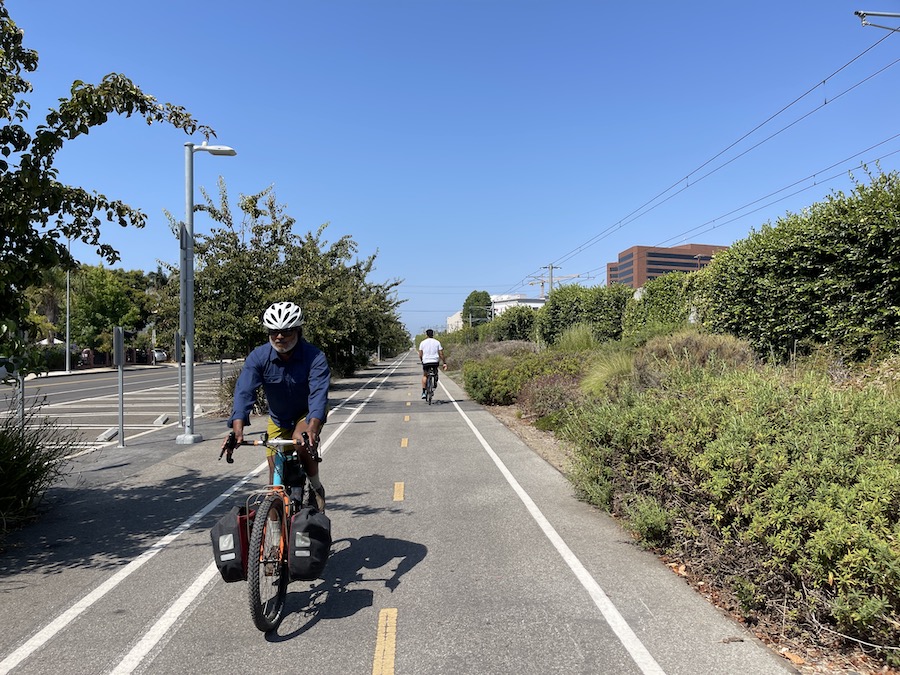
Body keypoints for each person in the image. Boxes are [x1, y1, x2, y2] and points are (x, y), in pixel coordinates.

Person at [225, 301, 329, 511]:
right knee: (275, 485)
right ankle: (273, 525)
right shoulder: (258, 357)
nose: (279, 337)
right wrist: (237, 428)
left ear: (298, 331)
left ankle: (316, 487)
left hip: (307, 414)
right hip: (279, 417)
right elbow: (244, 391)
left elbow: (319, 394)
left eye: (286, 331)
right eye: (274, 332)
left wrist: (313, 428)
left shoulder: (314, 357)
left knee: (301, 441)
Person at [417, 329, 447, 399]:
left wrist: (422, 360)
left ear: (426, 335)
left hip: (426, 361)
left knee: (425, 375)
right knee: (435, 372)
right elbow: (441, 353)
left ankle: (424, 392)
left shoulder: (422, 343)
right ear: (433, 334)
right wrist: (444, 362)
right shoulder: (437, 342)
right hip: (435, 361)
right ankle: (435, 382)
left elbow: (420, 354)